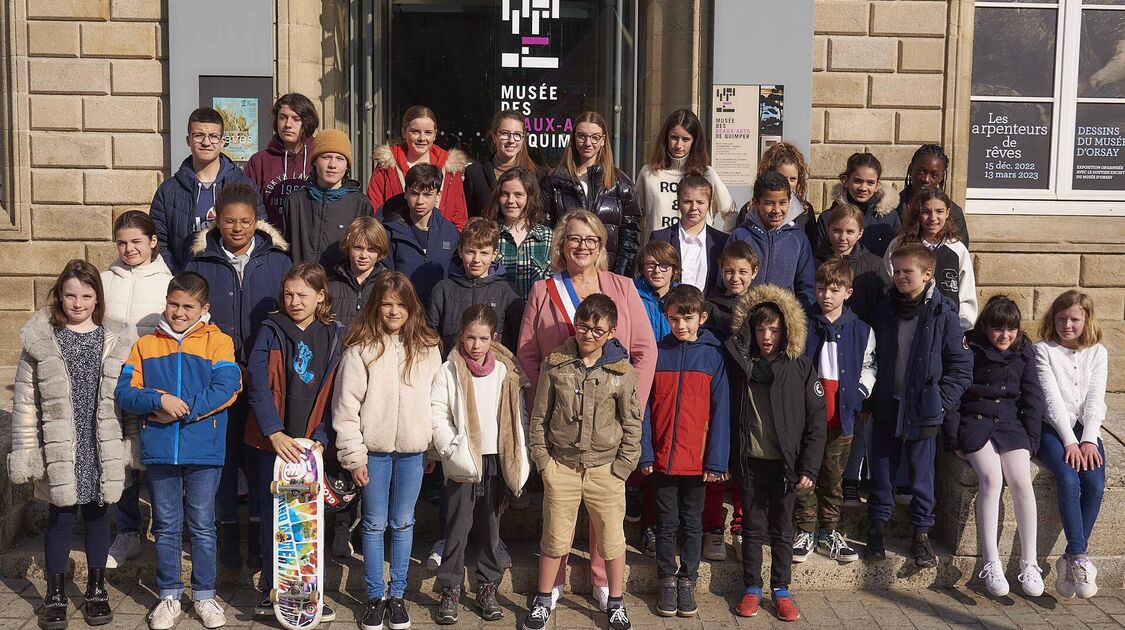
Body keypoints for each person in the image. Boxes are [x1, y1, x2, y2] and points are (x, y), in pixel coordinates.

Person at [516, 209, 657, 612]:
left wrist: (633, 403)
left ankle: (602, 582)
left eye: (590, 239)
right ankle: (552, 585)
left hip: (610, 422)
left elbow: (645, 351)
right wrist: (541, 410)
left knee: (606, 514)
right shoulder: (545, 290)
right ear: (561, 244)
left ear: (601, 246)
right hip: (562, 425)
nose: (582, 246)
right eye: (574, 238)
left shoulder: (623, 287)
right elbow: (528, 353)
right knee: (558, 517)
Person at [10, 260, 137, 630]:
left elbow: (127, 399)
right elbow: (24, 403)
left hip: (101, 443)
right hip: (61, 446)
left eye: (86, 295)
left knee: (99, 516)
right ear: (59, 295)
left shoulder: (116, 339)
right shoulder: (41, 340)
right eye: (70, 295)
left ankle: (97, 590)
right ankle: (55, 594)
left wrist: (131, 444)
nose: (77, 302)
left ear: (97, 296)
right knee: (60, 518)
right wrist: (28, 451)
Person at [115, 272, 242, 630]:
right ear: (165, 303)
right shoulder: (145, 344)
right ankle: (168, 595)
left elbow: (227, 386)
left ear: (204, 308)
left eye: (188, 306)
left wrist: (183, 407)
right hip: (160, 448)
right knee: (167, 525)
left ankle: (204, 595)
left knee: (202, 524)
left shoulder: (219, 342)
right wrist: (158, 399)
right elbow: (125, 392)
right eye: (174, 304)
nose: (179, 312)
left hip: (204, 448)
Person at [186, 183, 293, 570]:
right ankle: (227, 532)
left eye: (245, 222)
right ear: (216, 219)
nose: (237, 228)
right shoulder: (201, 262)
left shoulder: (277, 261)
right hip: (218, 374)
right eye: (229, 221)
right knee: (224, 455)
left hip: (264, 376)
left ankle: (260, 537)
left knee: (261, 456)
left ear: (256, 221)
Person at [523, 294, 642, 630]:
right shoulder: (555, 363)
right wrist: (544, 461)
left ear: (611, 332)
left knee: (611, 538)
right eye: (583, 326)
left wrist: (622, 468)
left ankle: (616, 601)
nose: (588, 334)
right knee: (555, 536)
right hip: (561, 466)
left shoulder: (622, 371)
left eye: (597, 330)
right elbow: (539, 416)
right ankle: (544, 598)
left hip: (606, 469)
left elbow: (633, 423)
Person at [332, 272, 443, 630]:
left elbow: (436, 400)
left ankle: (398, 596)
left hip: (413, 450)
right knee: (375, 522)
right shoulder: (361, 347)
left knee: (403, 521)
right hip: (374, 451)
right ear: (376, 306)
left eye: (401, 304)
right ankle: (375, 597)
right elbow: (346, 407)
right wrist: (354, 456)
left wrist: (432, 449)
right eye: (387, 303)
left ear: (412, 307)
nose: (394, 311)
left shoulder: (427, 346)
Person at [244, 262, 344, 620]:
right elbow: (257, 384)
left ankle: (311, 593)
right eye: (288, 293)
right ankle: (276, 591)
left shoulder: (334, 334)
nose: (294, 301)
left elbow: (338, 393)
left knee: (308, 522)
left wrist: (322, 437)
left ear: (321, 296)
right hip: (273, 444)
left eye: (303, 294)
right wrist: (274, 432)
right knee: (276, 522)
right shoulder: (270, 329)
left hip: (310, 445)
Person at [865, 244, 971, 568]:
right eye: (896, 271)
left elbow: (961, 368)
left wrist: (939, 404)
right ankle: (876, 532)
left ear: (927, 275)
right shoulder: (884, 309)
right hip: (887, 405)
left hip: (922, 409)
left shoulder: (943, 314)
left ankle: (921, 535)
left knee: (922, 475)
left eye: (907, 272)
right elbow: (872, 356)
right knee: (881, 473)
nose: (899, 277)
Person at [725, 284, 826, 622]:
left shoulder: (799, 366)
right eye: (760, 328)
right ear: (750, 329)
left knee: (783, 529)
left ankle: (781, 589)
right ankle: (752, 587)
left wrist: (808, 467)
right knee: (751, 528)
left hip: (786, 465)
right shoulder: (740, 363)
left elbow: (816, 422)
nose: (767, 335)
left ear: (787, 330)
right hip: (750, 461)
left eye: (774, 329)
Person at [431, 305, 530, 624]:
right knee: (456, 526)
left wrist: (515, 451)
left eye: (483, 338)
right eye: (470, 337)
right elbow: (438, 412)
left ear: (494, 338)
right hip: (463, 459)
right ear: (461, 336)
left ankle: (488, 585)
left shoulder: (505, 370)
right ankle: (449, 588)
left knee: (491, 527)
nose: (475, 345)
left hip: (494, 460)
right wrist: (450, 447)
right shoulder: (449, 370)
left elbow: (515, 413)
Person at [638, 285, 729, 618]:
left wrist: (716, 459)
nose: (680, 325)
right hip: (662, 458)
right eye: (674, 318)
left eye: (687, 318)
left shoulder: (713, 355)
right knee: (665, 523)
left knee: (692, 524)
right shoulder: (657, 353)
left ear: (701, 318)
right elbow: (644, 408)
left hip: (698, 460)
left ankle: (687, 579)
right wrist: (645, 452)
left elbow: (721, 412)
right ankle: (666, 577)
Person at [944, 296, 1045, 597]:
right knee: (991, 479)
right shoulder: (969, 348)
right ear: (986, 327)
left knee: (1021, 481)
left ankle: (1029, 564)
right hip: (976, 424)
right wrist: (952, 439)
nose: (1004, 335)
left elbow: (1032, 397)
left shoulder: (1024, 352)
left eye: (1010, 329)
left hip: (1011, 425)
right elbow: (955, 395)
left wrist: (1032, 440)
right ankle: (991, 563)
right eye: (997, 328)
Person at [101, 211, 173, 570]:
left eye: (136, 242)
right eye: (122, 243)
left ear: (152, 241)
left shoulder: (167, 283)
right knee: (120, 455)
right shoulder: (103, 280)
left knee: (154, 456)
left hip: (151, 382)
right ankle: (127, 530)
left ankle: (164, 528)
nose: (128, 249)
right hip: (111, 382)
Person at [792, 258, 875, 565]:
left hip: (841, 418)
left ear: (848, 292)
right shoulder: (803, 325)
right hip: (807, 420)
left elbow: (870, 365)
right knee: (806, 475)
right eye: (821, 288)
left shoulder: (861, 330)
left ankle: (829, 531)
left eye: (834, 289)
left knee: (833, 477)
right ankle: (805, 529)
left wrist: (859, 393)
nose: (826, 295)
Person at [1034, 290, 1109, 599]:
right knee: (1067, 477)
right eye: (1061, 319)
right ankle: (1078, 556)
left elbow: (1096, 400)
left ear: (1086, 320)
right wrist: (1070, 441)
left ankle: (1070, 557)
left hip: (1085, 429)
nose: (1067, 325)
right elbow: (1051, 403)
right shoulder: (1043, 350)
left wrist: (1088, 439)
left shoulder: (1097, 352)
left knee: (1094, 483)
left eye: (1074, 319)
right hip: (1051, 427)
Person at [699, 241, 759, 561]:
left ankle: (740, 526)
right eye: (729, 271)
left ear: (755, 272)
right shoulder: (711, 304)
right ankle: (712, 529)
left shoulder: (762, 305)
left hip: (750, 394)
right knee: (717, 461)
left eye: (742, 272)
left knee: (745, 464)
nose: (734, 278)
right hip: (720, 390)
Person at [151, 107, 263, 273]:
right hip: (186, 283)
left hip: (233, 279)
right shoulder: (168, 190)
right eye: (198, 135)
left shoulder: (245, 187)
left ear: (223, 141)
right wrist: (180, 275)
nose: (206, 142)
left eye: (213, 136)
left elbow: (259, 230)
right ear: (188, 140)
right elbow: (159, 241)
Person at [541, 111, 642, 275]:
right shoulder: (555, 181)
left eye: (595, 137)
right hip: (566, 274)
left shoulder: (621, 184)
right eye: (582, 136)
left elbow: (629, 238)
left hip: (606, 275)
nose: (588, 142)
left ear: (603, 140)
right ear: (574, 138)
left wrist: (618, 277)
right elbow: (546, 232)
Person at [883, 187, 976, 330]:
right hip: (906, 327)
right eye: (926, 212)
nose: (933, 218)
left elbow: (966, 297)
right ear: (917, 214)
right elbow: (887, 285)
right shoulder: (899, 245)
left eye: (939, 211)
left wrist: (957, 328)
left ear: (947, 213)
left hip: (946, 330)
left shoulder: (958, 250)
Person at [282, 129, 373, 270]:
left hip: (343, 286)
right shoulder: (295, 202)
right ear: (314, 161)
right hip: (301, 285)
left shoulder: (360, 204)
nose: (332, 165)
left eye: (340, 158)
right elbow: (284, 249)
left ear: (347, 165)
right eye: (326, 157)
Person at [427, 217, 521, 354]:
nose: (476, 260)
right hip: (450, 368)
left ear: (494, 254)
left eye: (484, 253)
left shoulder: (508, 293)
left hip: (495, 371)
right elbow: (429, 338)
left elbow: (518, 342)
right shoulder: (443, 290)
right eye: (470, 252)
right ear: (460, 251)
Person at [368, 105, 469, 230]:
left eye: (428, 132)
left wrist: (452, 243)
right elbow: (374, 209)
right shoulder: (387, 166)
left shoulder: (450, 169)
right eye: (415, 132)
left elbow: (459, 215)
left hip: (439, 243)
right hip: (395, 241)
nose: (422, 138)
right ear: (404, 132)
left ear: (435, 135)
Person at [637, 109, 737, 236]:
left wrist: (721, 243)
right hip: (658, 253)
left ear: (694, 141)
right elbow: (635, 218)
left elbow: (731, 211)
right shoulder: (649, 174)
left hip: (697, 253)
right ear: (666, 137)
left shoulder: (707, 174)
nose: (678, 145)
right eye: (674, 137)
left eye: (685, 139)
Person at [730, 171, 816, 309]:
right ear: (757, 202)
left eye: (782, 203)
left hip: (784, 322)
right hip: (744, 320)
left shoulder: (798, 240)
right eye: (769, 203)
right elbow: (725, 283)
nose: (776, 210)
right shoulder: (740, 236)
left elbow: (806, 288)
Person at [382, 163, 461, 307]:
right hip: (402, 314)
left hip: (439, 316)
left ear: (438, 195)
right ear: (405, 193)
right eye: (414, 193)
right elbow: (384, 280)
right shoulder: (390, 232)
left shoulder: (450, 233)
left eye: (427, 194)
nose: (420, 201)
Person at [243, 93, 319, 226]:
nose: (288, 125)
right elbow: (246, 205)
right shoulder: (259, 161)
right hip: (271, 241)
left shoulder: (319, 157)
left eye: (296, 119)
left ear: (307, 122)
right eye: (283, 118)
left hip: (311, 241)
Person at [648, 174, 729, 296]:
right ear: (678, 202)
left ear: (709, 204)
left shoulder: (722, 242)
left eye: (700, 202)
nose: (694, 208)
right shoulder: (660, 238)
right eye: (687, 202)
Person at [814, 152, 900, 257]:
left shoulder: (890, 218)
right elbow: (819, 257)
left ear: (877, 185)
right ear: (846, 180)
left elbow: (897, 256)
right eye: (857, 181)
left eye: (870, 183)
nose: (863, 188)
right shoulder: (828, 217)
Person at [485, 167, 553, 299]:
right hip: (498, 314)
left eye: (518, 194)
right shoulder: (489, 234)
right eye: (505, 194)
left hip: (535, 314)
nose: (510, 200)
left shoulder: (547, 237)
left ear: (530, 197)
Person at [815, 204, 885, 325]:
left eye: (850, 232)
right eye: (836, 230)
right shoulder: (814, 263)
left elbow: (882, 304)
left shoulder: (875, 265)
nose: (842, 237)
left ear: (860, 233)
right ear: (828, 229)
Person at [734, 142, 817, 243]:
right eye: (781, 177)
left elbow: (811, 248)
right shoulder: (749, 210)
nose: (787, 184)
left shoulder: (805, 211)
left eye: (793, 179)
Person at [464, 110, 540, 218]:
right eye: (505, 134)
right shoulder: (475, 173)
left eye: (517, 135)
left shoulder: (537, 175)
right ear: (494, 137)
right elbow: (467, 216)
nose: (511, 140)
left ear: (523, 140)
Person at [896, 144, 970, 247]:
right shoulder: (891, 208)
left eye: (934, 175)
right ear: (911, 168)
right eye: (921, 172)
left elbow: (960, 255)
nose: (926, 179)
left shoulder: (954, 213)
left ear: (942, 177)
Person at [327, 216, 390, 328]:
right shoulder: (330, 284)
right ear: (348, 247)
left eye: (371, 250)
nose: (364, 256)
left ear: (379, 252)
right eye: (358, 248)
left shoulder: (388, 285)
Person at [633, 240, 680, 342]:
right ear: (642, 268)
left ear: (674, 269)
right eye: (650, 264)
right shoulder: (632, 297)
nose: (657, 270)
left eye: (664, 265)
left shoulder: (684, 298)